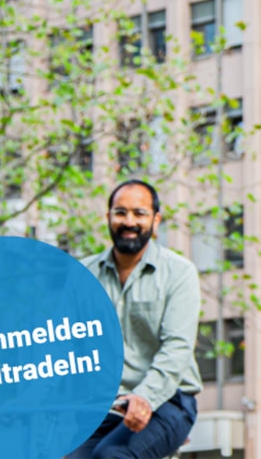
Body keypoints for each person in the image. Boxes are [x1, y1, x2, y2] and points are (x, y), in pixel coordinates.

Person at [68, 179, 202, 459]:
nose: (129, 221)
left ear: (155, 220)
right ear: (108, 218)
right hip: (103, 406)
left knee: (112, 457)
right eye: (121, 212)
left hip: (166, 400)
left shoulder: (179, 273)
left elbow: (176, 348)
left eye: (139, 213)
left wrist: (145, 398)